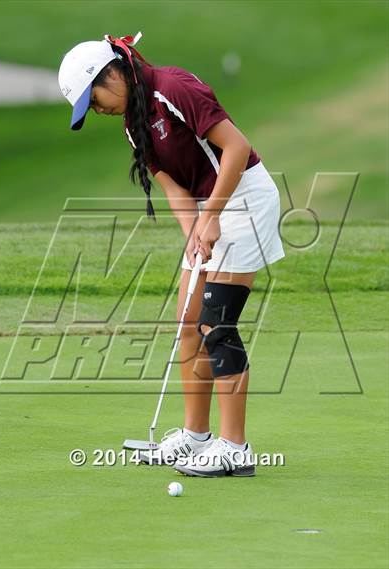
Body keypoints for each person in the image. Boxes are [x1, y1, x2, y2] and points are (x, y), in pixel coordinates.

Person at [58, 32, 285, 477]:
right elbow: (174, 187)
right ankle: (195, 437)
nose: (99, 109)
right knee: (188, 321)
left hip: (244, 197)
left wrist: (213, 216)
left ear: (113, 73)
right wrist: (194, 231)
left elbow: (236, 148)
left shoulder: (174, 88)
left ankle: (235, 448)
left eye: (95, 98)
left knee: (216, 324)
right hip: (209, 207)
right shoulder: (134, 121)